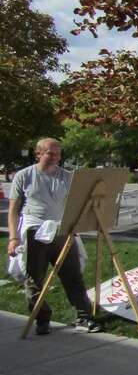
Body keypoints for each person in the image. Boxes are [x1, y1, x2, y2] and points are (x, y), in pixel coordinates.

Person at [7, 138, 100, 335]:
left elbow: (76, 205)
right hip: (34, 231)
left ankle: (84, 316)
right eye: (51, 153)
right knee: (34, 279)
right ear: (38, 153)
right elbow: (14, 210)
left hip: (61, 231)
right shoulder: (24, 176)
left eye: (58, 153)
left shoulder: (67, 177)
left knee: (73, 275)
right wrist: (13, 238)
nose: (56, 157)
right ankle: (41, 319)